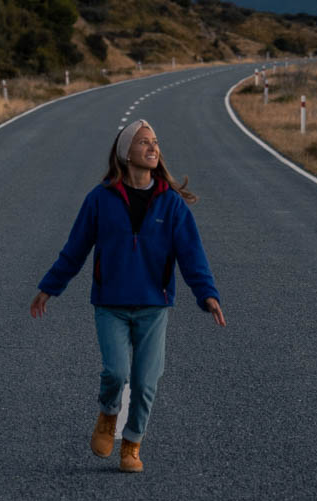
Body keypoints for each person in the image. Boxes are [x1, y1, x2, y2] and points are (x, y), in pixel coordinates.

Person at [30, 119, 226, 472]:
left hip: (154, 305)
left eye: (155, 142)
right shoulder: (100, 200)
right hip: (111, 305)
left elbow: (192, 255)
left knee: (146, 382)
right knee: (116, 373)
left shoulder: (172, 204)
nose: (153, 148)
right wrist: (49, 288)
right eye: (143, 142)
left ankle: (132, 442)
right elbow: (74, 251)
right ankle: (108, 414)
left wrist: (207, 294)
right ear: (126, 154)